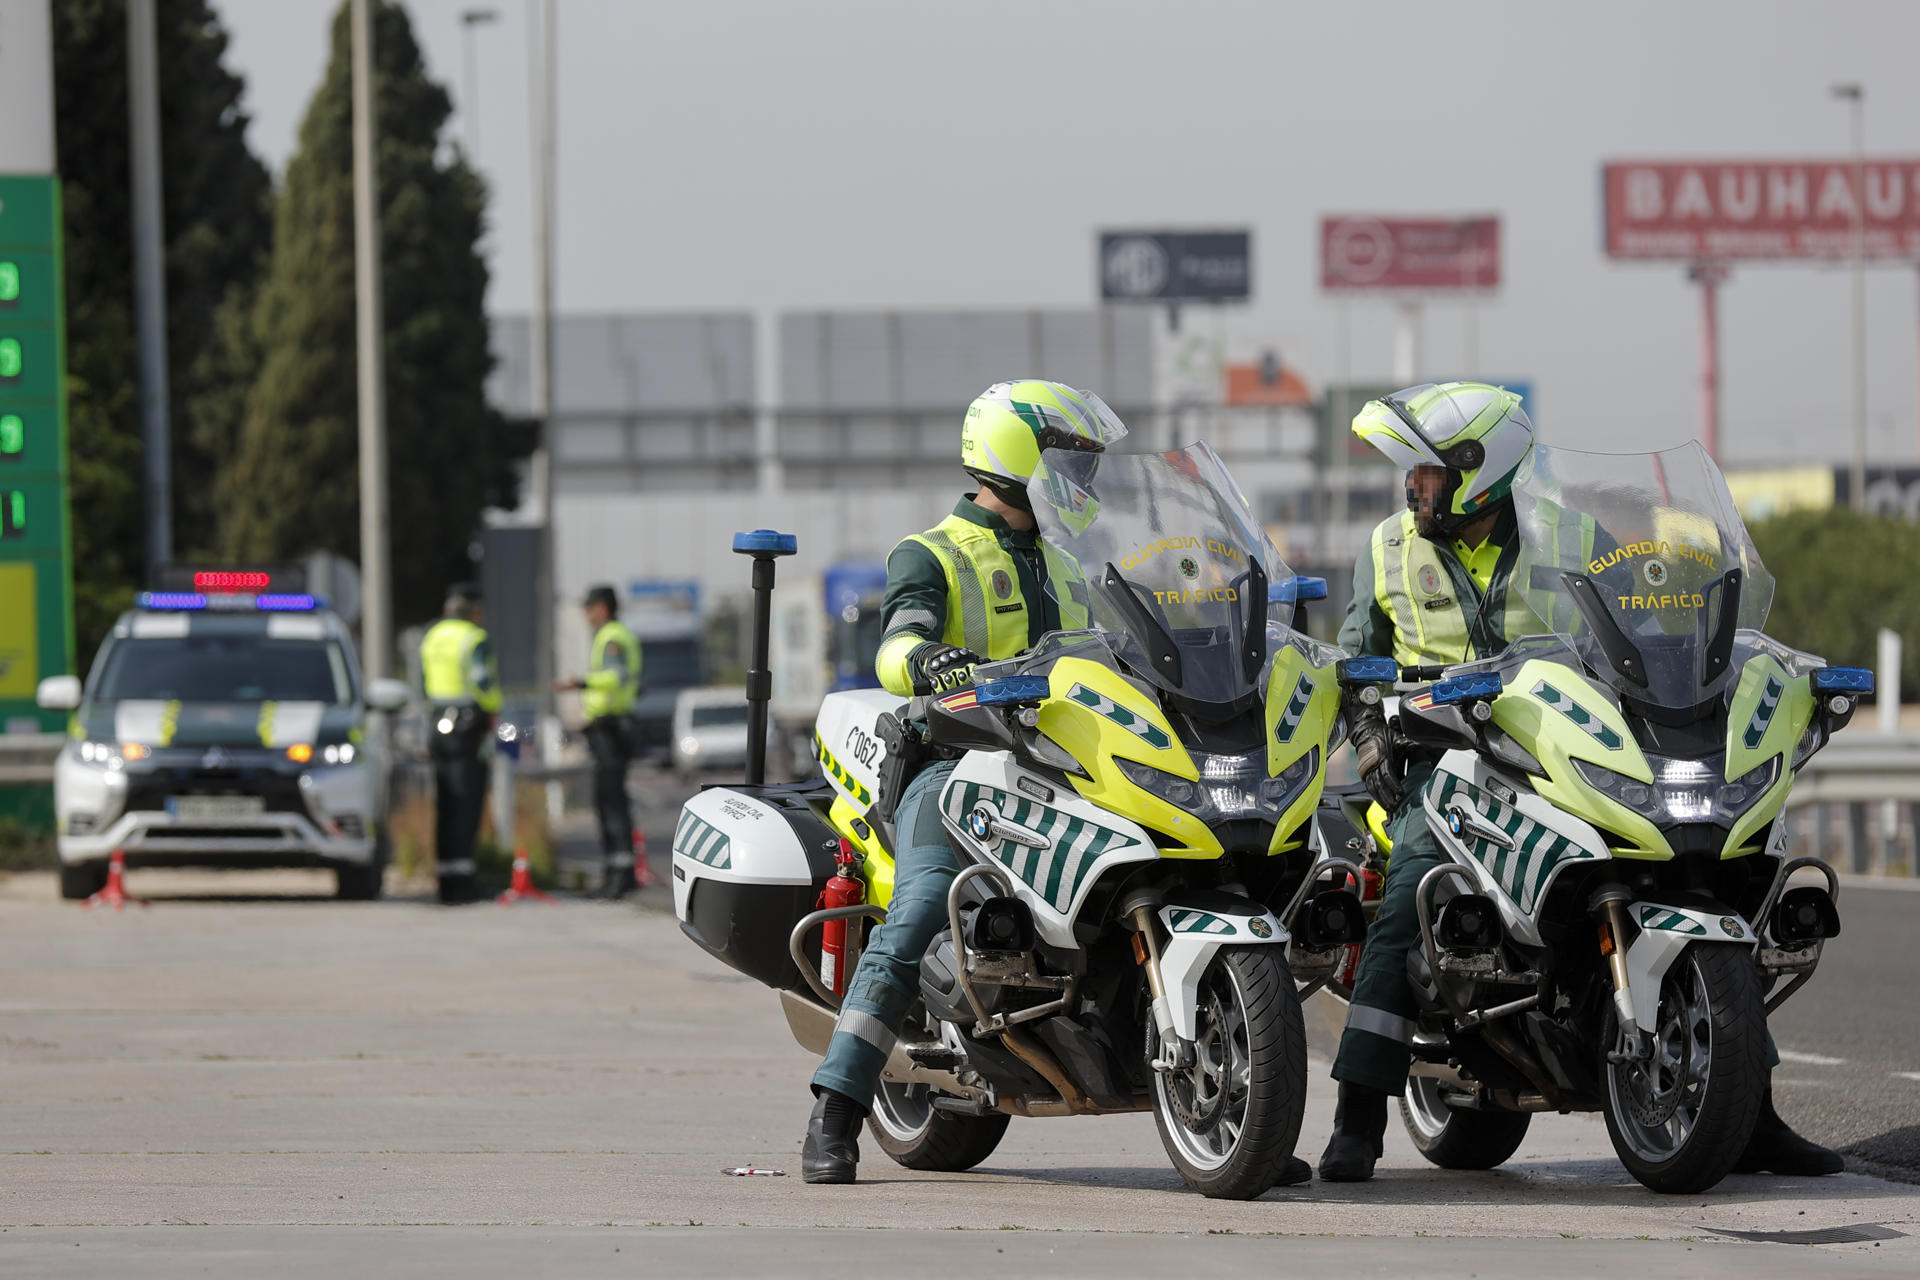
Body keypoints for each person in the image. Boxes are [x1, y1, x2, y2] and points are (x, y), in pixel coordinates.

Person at [1317, 381, 1841, 1182]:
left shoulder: (1572, 535)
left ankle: (1751, 1114)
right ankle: (1357, 1119)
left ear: (1476, 472)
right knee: (1409, 887)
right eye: (1412, 473)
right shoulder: (1388, 548)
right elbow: (1354, 664)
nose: (1411, 485)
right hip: (1447, 754)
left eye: (1424, 471)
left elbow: (1647, 615)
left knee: (1699, 876)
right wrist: (1368, 733)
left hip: (1563, 744)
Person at [800, 379, 1130, 1184]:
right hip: (955, 765)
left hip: (1068, 768)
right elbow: (897, 640)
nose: (1081, 480)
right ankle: (835, 1110)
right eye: (1069, 461)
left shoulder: (1069, 561)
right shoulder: (933, 551)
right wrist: (925, 660)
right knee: (918, 908)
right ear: (1016, 456)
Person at [555, 585, 645, 897]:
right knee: (609, 802)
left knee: (611, 803)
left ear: (602, 609)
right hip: (609, 729)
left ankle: (620, 876)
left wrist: (582, 682)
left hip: (610, 729)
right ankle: (618, 872)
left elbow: (616, 676)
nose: (586, 616)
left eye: (589, 609)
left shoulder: (612, 637)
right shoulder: (614, 635)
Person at [419, 582, 501, 904]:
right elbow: (483, 681)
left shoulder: (432, 637)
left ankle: (446, 882)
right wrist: (493, 710)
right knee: (467, 805)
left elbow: (423, 683)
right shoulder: (473, 638)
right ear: (471, 610)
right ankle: (464, 884)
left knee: (446, 804)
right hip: (468, 726)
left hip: (437, 725)